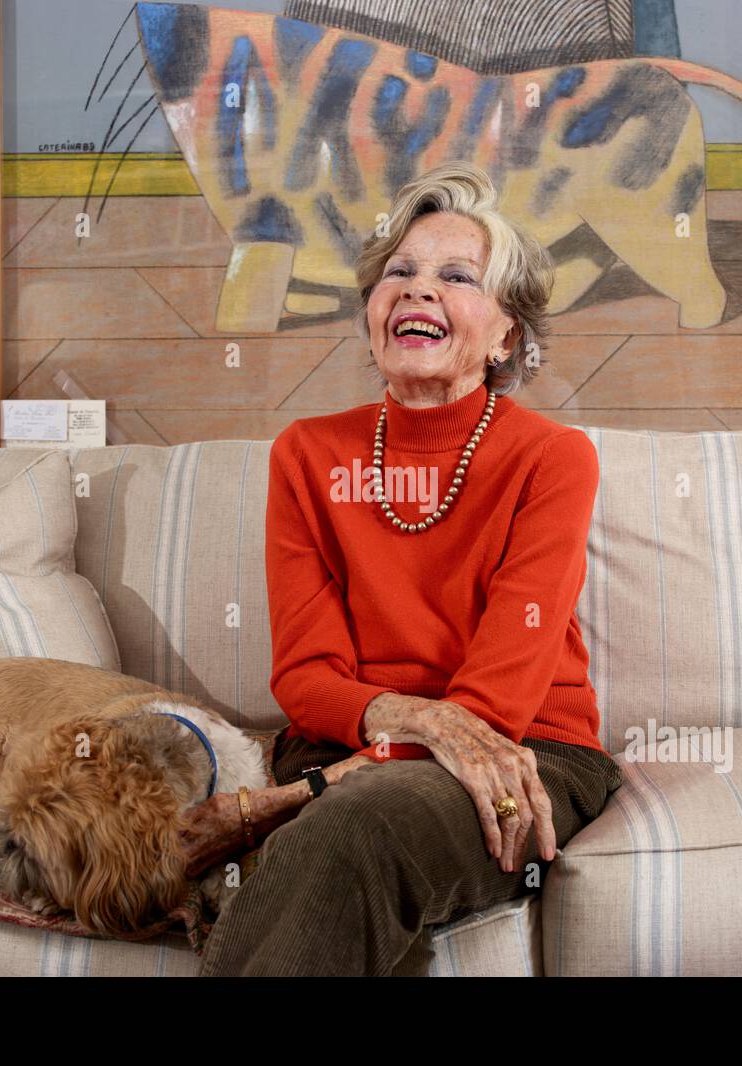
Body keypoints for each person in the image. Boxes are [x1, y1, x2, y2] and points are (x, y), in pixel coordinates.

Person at [194, 159, 624, 976]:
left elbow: (501, 688)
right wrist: (397, 737)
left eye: (457, 276)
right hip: (343, 754)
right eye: (400, 272)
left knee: (352, 829)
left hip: (526, 749)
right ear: (371, 312)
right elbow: (307, 677)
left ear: (506, 335)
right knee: (349, 838)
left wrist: (332, 787)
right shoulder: (308, 454)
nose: (418, 289)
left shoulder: (553, 458)